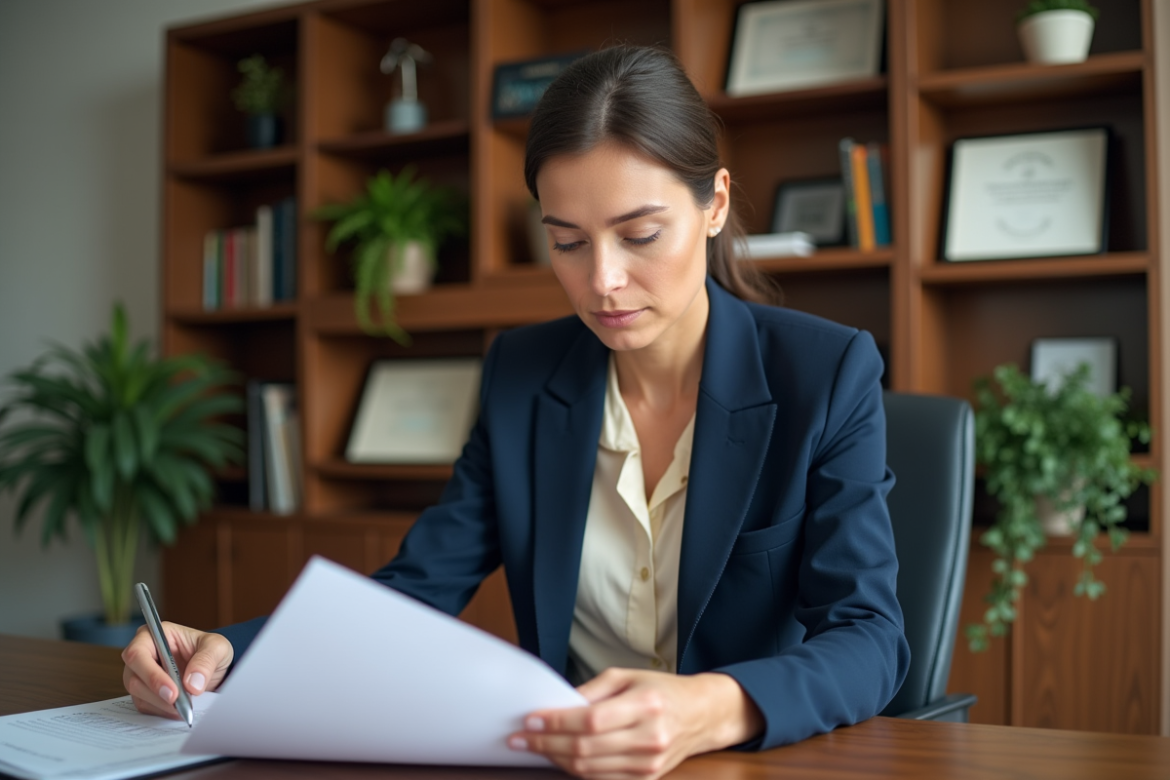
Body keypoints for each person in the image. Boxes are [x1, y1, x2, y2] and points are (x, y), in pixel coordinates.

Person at [122, 45, 909, 780]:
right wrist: (231, 649)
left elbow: (870, 637)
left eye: (639, 235)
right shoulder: (522, 374)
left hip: (745, 761)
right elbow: (417, 588)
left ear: (715, 204)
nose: (602, 281)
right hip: (569, 764)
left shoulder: (827, 372)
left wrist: (710, 706)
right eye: (567, 242)